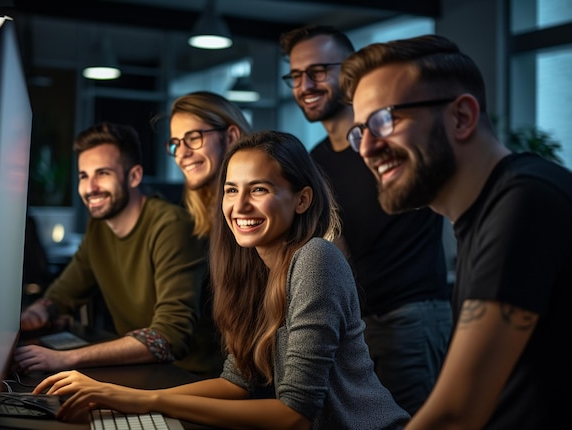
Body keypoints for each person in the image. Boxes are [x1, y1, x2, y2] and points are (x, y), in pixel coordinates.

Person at [32, 130, 410, 429]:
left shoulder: (315, 258)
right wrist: (120, 396)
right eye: (232, 189)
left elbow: (294, 415)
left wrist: (136, 399)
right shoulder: (254, 267)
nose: (239, 206)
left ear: (302, 199)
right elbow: (237, 383)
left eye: (258, 189)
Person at [341, 34, 572, 429]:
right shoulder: (490, 208)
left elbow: (455, 414)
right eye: (361, 131)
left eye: (385, 119)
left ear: (461, 117)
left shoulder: (525, 201)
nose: (366, 149)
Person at [279, 24, 451, 414]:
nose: (305, 84)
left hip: (407, 315)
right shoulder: (316, 160)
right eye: (295, 75)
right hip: (355, 326)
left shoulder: (390, 140)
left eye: (319, 71)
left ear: (349, 73)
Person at [15, 122, 223, 378]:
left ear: (134, 176)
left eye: (102, 173)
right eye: (83, 176)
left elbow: (170, 336)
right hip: (142, 370)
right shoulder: (99, 227)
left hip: (189, 377)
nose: (90, 188)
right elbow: (63, 294)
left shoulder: (171, 226)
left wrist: (64, 359)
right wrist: (38, 312)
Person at [153, 90, 252, 239]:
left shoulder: (256, 211)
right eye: (176, 144)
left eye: (193, 138)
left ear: (230, 137)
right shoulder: (185, 218)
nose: (182, 154)